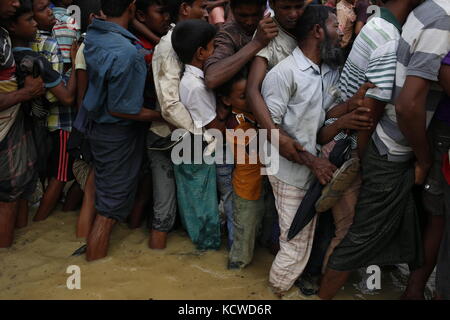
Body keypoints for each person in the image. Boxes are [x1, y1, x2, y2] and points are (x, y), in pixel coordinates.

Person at [319, 0, 450, 300]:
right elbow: (381, 110)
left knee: (376, 234)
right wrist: (423, 158)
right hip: (390, 151)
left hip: (389, 148)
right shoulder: (409, 30)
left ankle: (389, 288)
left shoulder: (417, 17)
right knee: (358, 237)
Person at [261, 5, 342, 296]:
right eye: (336, 25)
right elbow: (271, 131)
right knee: (295, 240)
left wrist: (353, 107)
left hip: (310, 167)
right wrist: (314, 163)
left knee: (301, 236)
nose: (341, 31)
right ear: (318, 31)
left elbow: (326, 113)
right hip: (288, 170)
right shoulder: (285, 74)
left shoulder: (329, 70)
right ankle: (275, 292)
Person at [82, 0, 165, 261]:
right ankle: (93, 275)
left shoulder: (95, 34)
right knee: (109, 212)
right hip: (117, 132)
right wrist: (164, 116)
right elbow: (123, 109)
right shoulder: (128, 53)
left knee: (100, 195)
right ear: (132, 7)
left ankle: (87, 257)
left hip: (96, 127)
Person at [203, 0, 277, 249]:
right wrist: (257, 43)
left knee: (266, 194)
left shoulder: (274, 26)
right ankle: (239, 251)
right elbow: (212, 77)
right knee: (239, 194)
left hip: (266, 128)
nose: (248, 20)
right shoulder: (228, 33)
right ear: (232, 10)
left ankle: (259, 245)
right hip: (236, 132)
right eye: (242, 14)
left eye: (253, 14)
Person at [246, 0, 309, 252]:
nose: (293, 14)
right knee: (279, 202)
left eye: (298, 6)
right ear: (274, 6)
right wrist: (274, 134)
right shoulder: (268, 33)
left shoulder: (316, 22)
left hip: (310, 128)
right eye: (286, 8)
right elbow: (253, 90)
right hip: (279, 131)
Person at [150, 0, 208, 249]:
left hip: (186, 137)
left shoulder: (191, 41)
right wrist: (205, 136)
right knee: (164, 212)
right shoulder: (169, 46)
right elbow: (170, 105)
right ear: (185, 8)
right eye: (202, 6)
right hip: (169, 137)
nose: (206, 12)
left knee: (192, 206)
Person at [171, 19, 224, 250]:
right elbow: (215, 130)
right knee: (202, 205)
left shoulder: (191, 79)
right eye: (213, 47)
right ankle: (206, 247)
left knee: (195, 202)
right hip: (197, 153)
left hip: (190, 149)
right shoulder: (196, 86)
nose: (216, 52)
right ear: (201, 53)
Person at [0, 0, 45, 248]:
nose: (16, 2)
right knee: (7, 198)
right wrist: (25, 94)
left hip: (11, 125)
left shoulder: (4, 35)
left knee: (16, 191)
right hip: (3, 130)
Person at [31, 0, 78, 222]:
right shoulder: (52, 40)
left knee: (47, 176)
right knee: (59, 176)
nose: (49, 12)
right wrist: (77, 63)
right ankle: (39, 225)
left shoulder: (33, 41)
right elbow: (62, 94)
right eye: (41, 10)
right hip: (61, 121)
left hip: (44, 120)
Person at [131, 0, 173, 249]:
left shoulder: (159, 41)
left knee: (152, 191)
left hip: (154, 131)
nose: (166, 17)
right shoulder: (142, 49)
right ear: (139, 15)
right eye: (161, 12)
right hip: (155, 130)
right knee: (160, 197)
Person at [218, 70, 267, 268]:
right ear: (227, 100)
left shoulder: (247, 115)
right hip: (246, 188)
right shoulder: (240, 124)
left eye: (252, 93)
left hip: (255, 183)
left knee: (249, 227)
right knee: (243, 235)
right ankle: (236, 268)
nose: (250, 99)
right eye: (243, 96)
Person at [51, 0, 80, 70]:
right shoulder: (73, 22)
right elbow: (77, 45)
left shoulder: (49, 19)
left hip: (52, 65)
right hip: (70, 67)